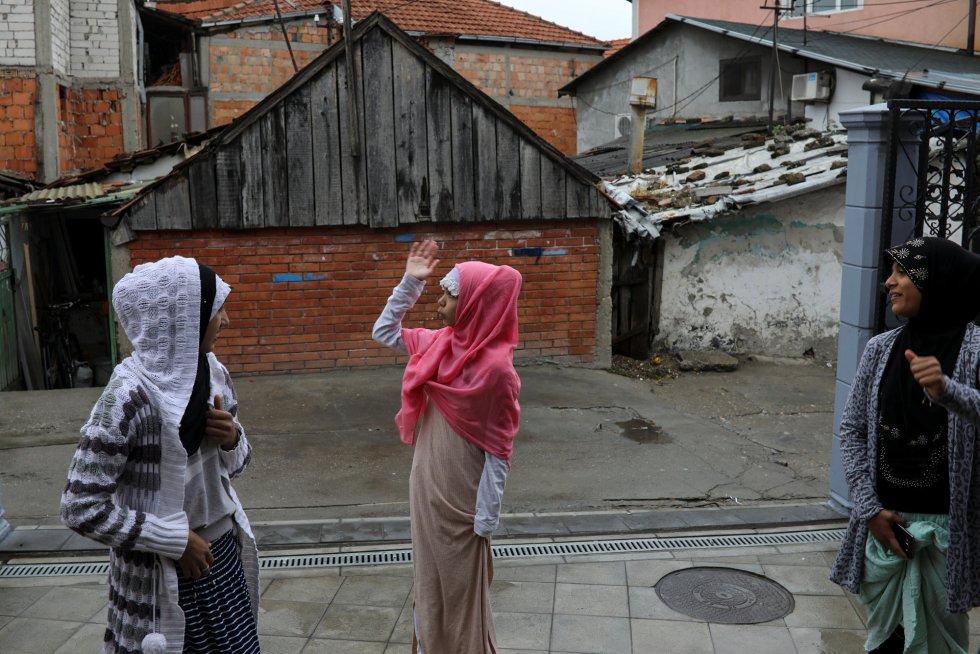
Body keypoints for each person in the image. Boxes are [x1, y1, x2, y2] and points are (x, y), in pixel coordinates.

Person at [60, 256, 260, 654]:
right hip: (157, 580)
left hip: (221, 559)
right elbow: (80, 506)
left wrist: (232, 438)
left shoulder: (213, 372)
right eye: (218, 309)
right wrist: (175, 540)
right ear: (183, 317)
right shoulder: (126, 399)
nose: (227, 320)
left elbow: (236, 466)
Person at [830, 237, 980, 653]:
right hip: (884, 527)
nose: (888, 283)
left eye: (902, 273)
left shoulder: (975, 350)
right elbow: (853, 430)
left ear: (935, 282)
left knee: (937, 643)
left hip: (947, 534)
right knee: (886, 643)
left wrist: (949, 391)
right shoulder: (881, 349)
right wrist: (869, 509)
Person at [373, 239, 522, 654]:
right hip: (426, 488)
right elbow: (383, 331)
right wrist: (410, 283)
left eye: (448, 295)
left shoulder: (497, 372)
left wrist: (485, 520)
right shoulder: (439, 343)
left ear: (476, 302)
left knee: (463, 592)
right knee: (428, 580)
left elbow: (499, 450)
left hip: (464, 504)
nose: (439, 303)